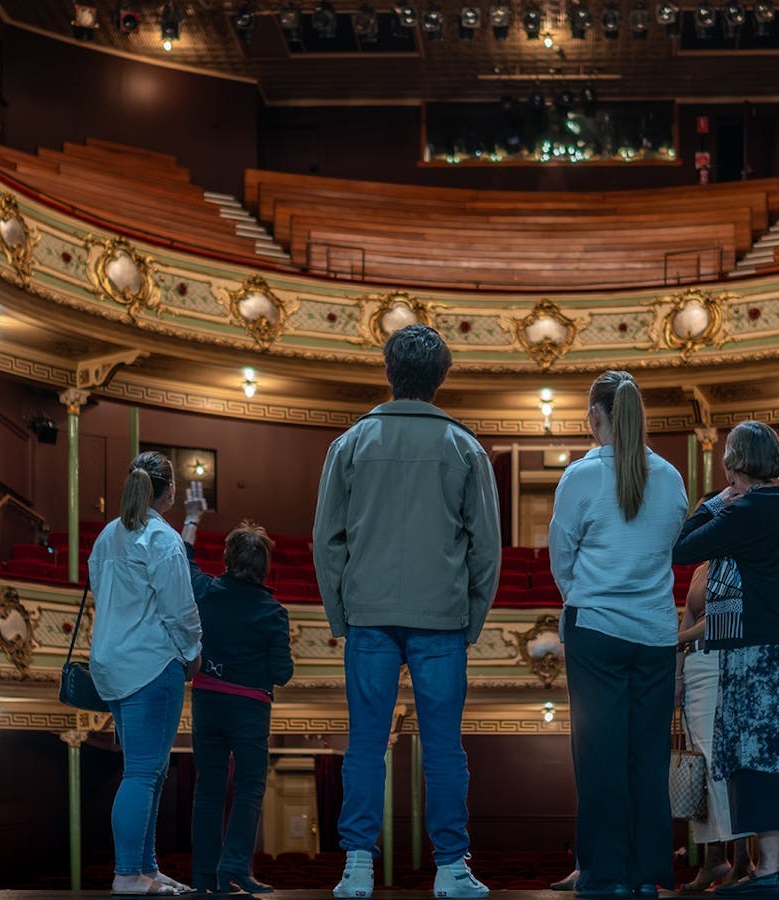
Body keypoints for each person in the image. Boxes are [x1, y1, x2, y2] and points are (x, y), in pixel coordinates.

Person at [313, 324, 502, 900]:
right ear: (441, 378)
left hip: (368, 613)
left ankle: (357, 869)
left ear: (388, 373)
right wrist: (472, 617)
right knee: (444, 746)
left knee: (366, 743)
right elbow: (487, 548)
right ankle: (450, 868)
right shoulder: (465, 447)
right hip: (442, 617)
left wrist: (341, 614)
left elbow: (328, 541)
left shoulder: (350, 443)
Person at [670, 421, 779, 897]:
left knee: (753, 762)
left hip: (751, 658)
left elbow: (680, 548)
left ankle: (765, 873)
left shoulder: (747, 510)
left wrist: (717, 501)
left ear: (734, 465)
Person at [550, 370, 689, 898]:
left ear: (594, 417)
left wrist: (583, 596)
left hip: (597, 630)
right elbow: (668, 548)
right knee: (648, 759)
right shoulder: (671, 478)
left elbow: (562, 559)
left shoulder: (580, 477)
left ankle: (603, 873)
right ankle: (648, 874)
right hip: (654, 634)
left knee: (599, 758)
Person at [87, 451, 203, 896]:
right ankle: (127, 875)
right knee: (142, 772)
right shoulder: (162, 538)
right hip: (151, 665)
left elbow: (102, 592)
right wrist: (193, 651)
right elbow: (180, 608)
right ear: (169, 490)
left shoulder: (107, 536)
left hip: (113, 666)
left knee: (147, 771)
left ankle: (145, 868)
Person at [179, 485, 295, 895]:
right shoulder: (273, 612)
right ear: (264, 567)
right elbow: (282, 673)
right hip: (249, 710)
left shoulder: (208, 591)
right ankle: (234, 870)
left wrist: (192, 519)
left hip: (208, 703)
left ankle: (203, 877)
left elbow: (181, 561)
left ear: (228, 559)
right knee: (248, 789)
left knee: (207, 789)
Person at [675, 565, 754, 892]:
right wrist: (677, 676)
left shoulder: (740, 558)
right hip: (695, 668)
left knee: (724, 765)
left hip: (726, 664)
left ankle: (741, 861)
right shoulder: (700, 568)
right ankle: (713, 857)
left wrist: (676, 638)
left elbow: (726, 617)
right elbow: (689, 616)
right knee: (701, 770)